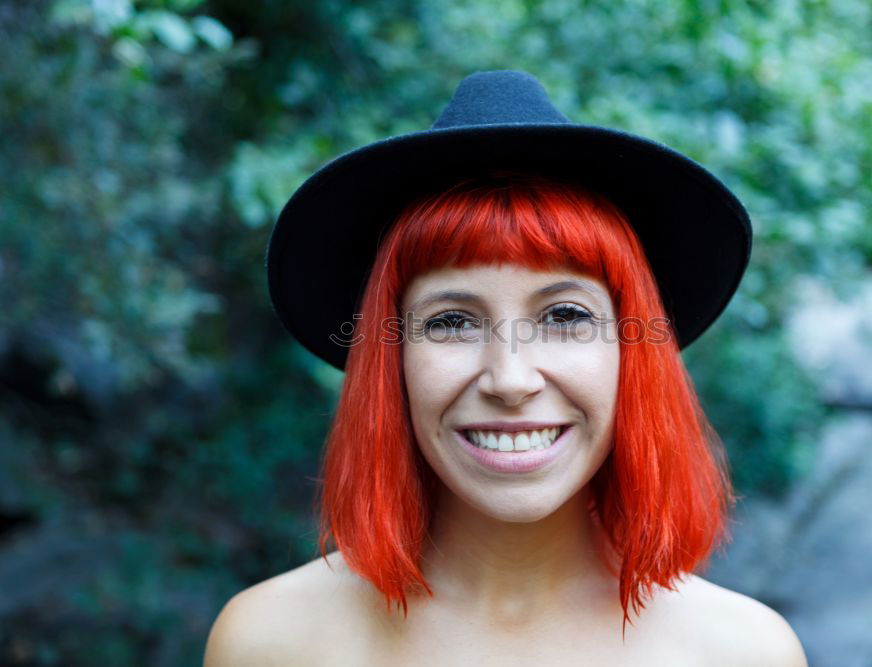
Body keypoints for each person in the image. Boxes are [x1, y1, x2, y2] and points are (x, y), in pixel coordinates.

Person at [204, 71, 809, 665]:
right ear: (392, 361)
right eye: (450, 322)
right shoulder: (269, 642)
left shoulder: (743, 651)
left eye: (565, 315)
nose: (511, 380)